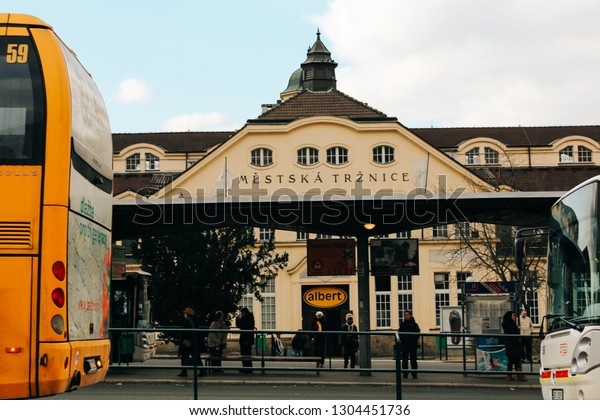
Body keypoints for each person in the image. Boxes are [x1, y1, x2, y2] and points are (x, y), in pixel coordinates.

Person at [502, 310, 526, 382]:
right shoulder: (509, 324)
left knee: (513, 360)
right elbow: (513, 333)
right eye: (513, 315)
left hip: (511, 345)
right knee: (515, 360)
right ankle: (518, 376)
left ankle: (511, 375)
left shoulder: (509, 323)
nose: (514, 317)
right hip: (513, 344)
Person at [177, 307, 202, 377]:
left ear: (187, 314)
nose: (184, 314)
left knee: (184, 356)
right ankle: (202, 370)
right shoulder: (194, 320)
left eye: (184, 313)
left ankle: (184, 371)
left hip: (187, 342)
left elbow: (185, 332)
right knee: (196, 356)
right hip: (193, 341)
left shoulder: (187, 321)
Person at [398, 310, 420, 379]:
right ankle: (405, 373)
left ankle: (414, 373)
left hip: (412, 344)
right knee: (404, 359)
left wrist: (412, 338)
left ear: (410, 315)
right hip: (405, 344)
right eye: (405, 315)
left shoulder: (414, 324)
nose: (406, 316)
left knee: (413, 359)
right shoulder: (403, 324)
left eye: (408, 315)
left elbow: (417, 333)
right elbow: (400, 333)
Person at [235, 307, 255, 373]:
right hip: (248, 339)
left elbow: (239, 325)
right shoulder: (251, 318)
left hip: (244, 338)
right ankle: (249, 368)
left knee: (244, 354)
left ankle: (245, 367)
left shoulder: (245, 318)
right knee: (248, 354)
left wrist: (237, 319)